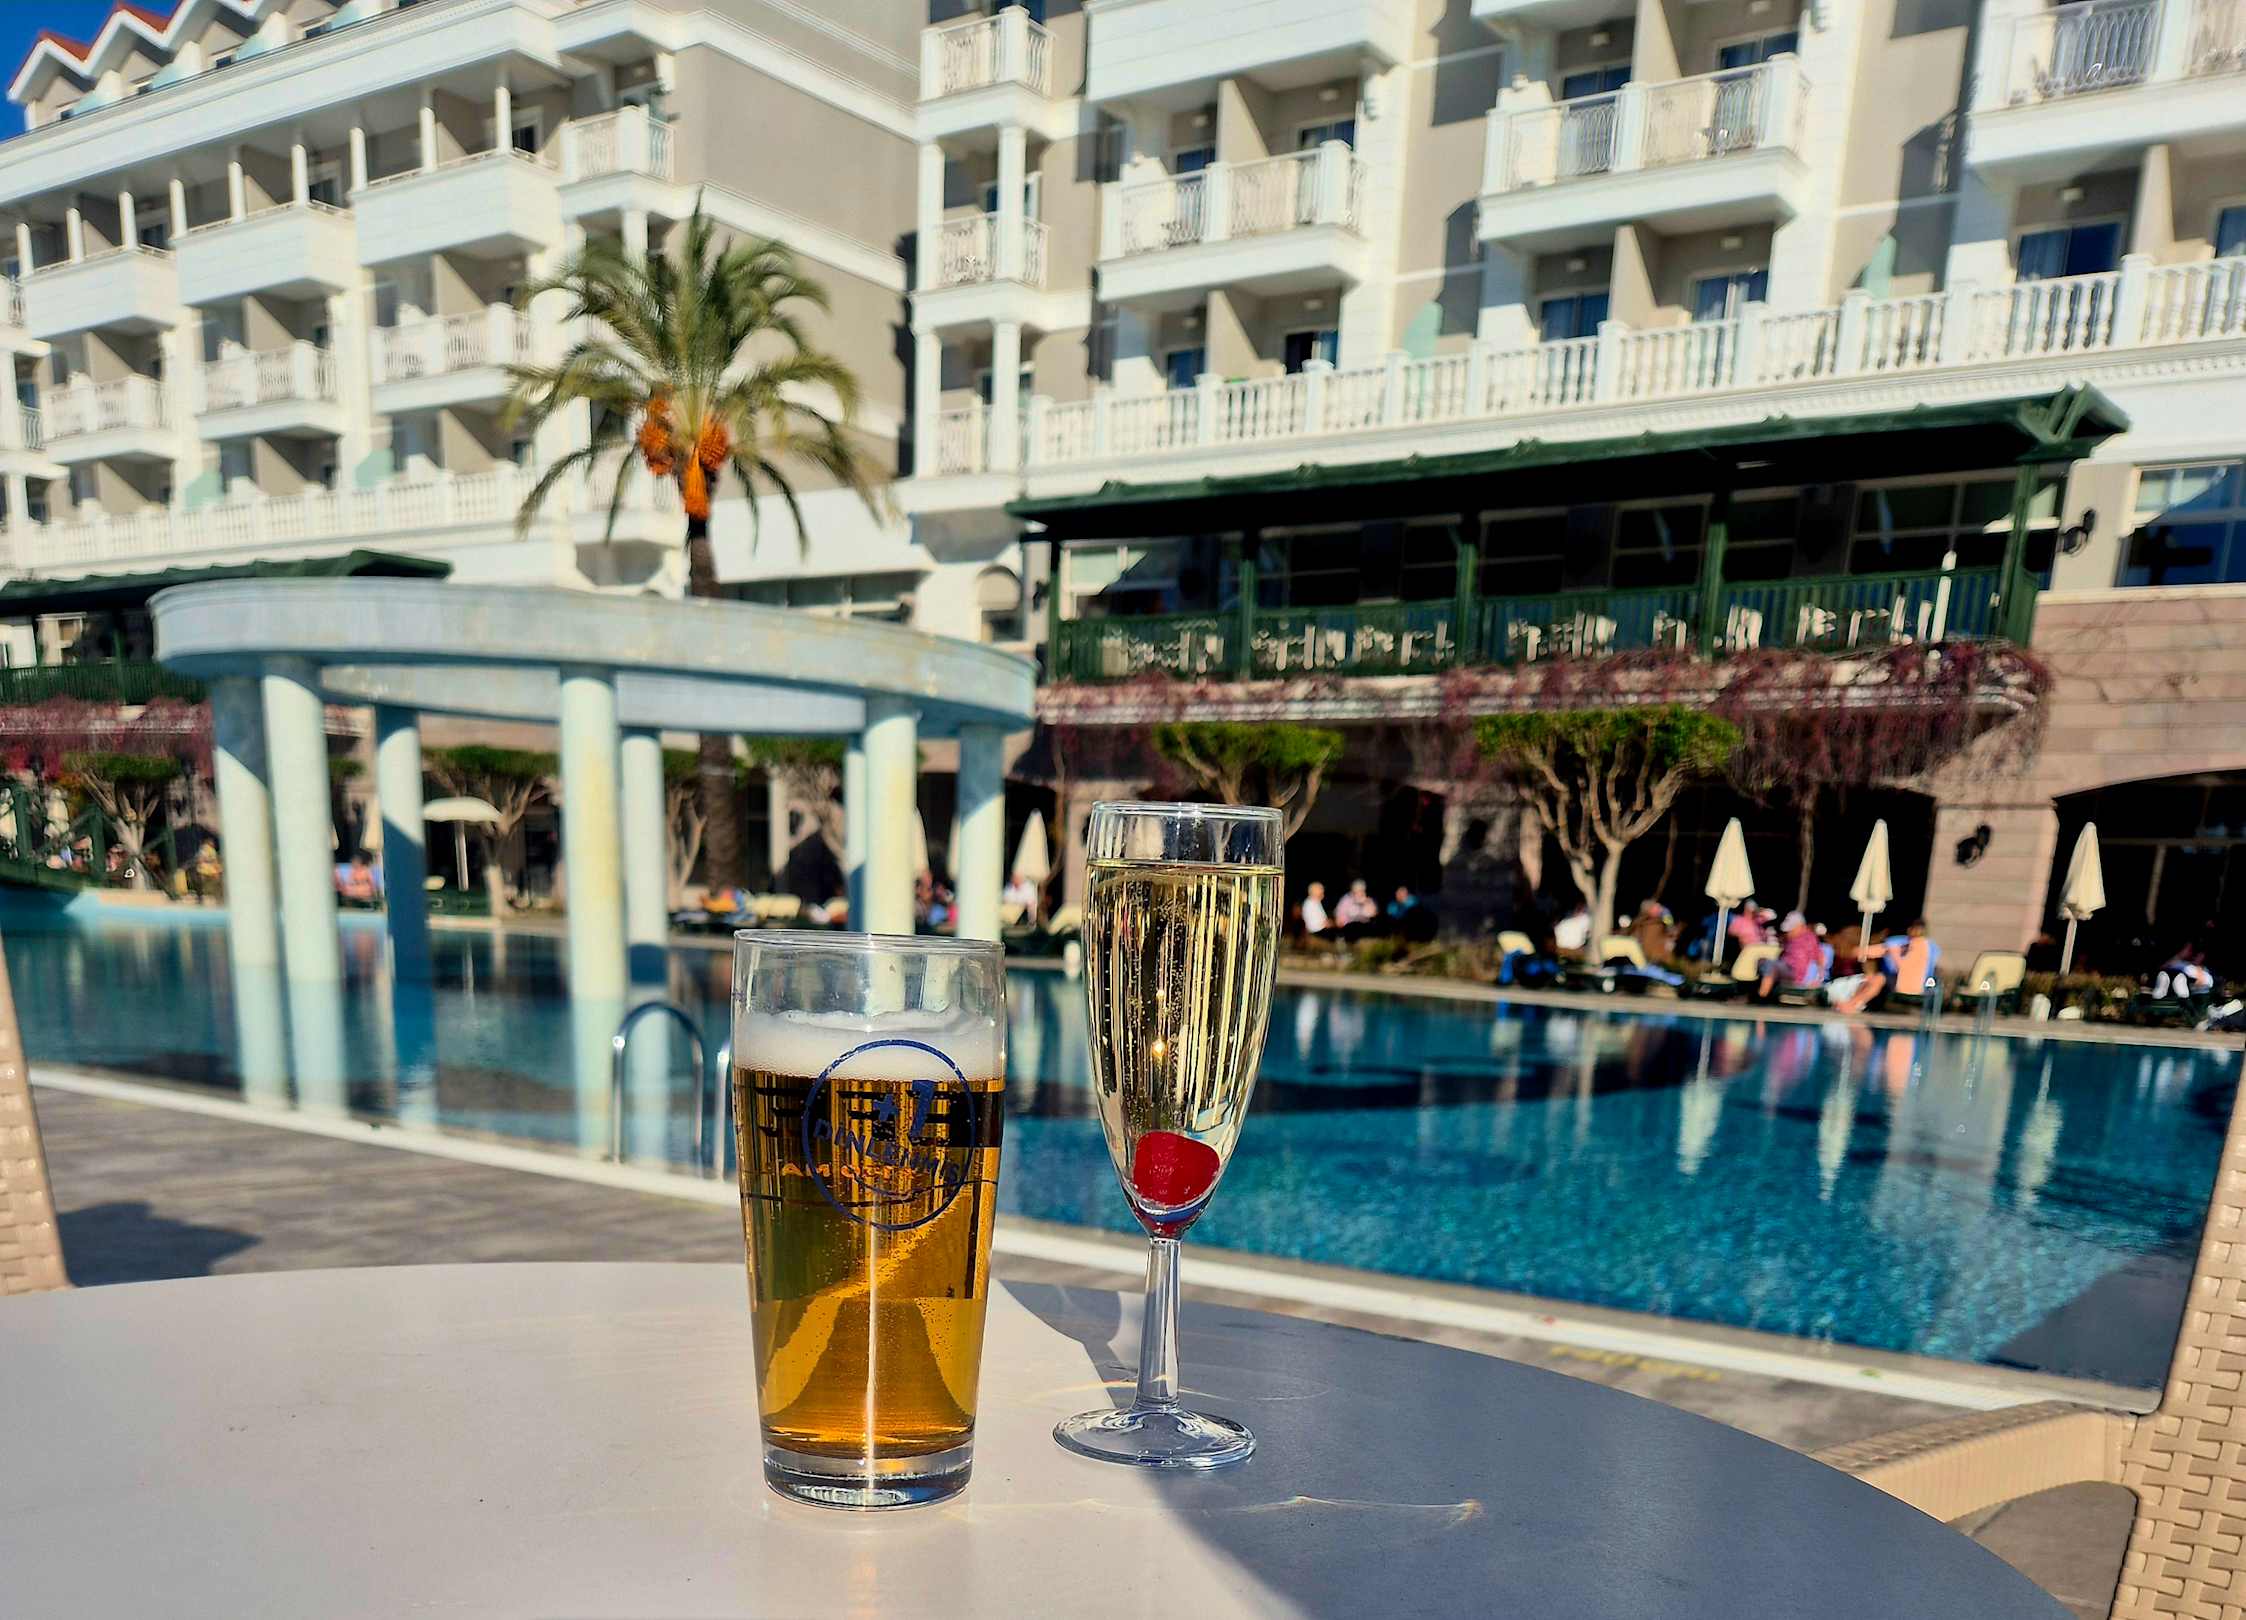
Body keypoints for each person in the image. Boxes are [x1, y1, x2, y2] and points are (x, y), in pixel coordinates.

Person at [1755, 911, 1824, 1002]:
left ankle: (1761, 996)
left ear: (1800, 926)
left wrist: (1818, 979)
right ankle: (1763, 993)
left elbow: (1820, 958)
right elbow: (1783, 955)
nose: (1787, 932)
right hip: (1787, 969)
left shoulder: (1809, 939)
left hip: (1795, 973)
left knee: (1771, 965)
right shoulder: (1791, 939)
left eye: (1791, 929)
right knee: (1764, 962)